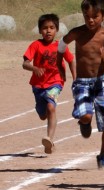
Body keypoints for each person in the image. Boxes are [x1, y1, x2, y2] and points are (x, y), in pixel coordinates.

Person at [56, 0, 104, 169]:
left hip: (102, 82)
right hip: (82, 83)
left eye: (95, 17)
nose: (90, 20)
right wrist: (59, 62)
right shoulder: (77, 33)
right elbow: (62, 43)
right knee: (86, 115)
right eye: (87, 16)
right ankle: (85, 123)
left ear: (103, 16)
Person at [22, 14, 76, 154]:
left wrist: (75, 79)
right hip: (38, 85)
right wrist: (34, 68)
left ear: (57, 30)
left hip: (56, 82)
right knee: (42, 114)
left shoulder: (61, 46)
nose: (48, 31)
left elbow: (71, 61)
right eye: (45, 28)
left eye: (52, 27)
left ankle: (49, 139)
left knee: (51, 107)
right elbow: (25, 63)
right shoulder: (36, 45)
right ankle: (41, 109)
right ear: (40, 30)